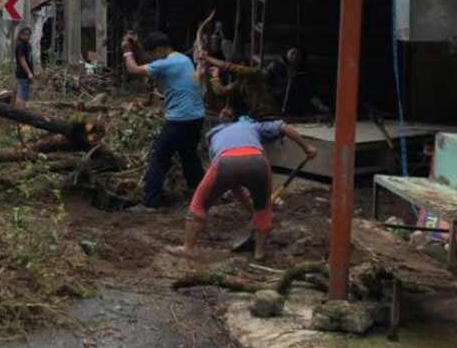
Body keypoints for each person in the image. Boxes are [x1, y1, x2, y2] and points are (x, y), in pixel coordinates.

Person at [175, 104, 318, 260]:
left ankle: (187, 248)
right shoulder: (250, 125)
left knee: (199, 204)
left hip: (225, 161)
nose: (224, 112)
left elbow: (234, 186)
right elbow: (283, 127)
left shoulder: (213, 134)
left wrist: (250, 210)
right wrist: (307, 148)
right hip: (258, 161)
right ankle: (259, 253)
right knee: (263, 208)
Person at [122, 31, 207, 211]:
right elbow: (149, 62)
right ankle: (203, 195)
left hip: (179, 119)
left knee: (159, 158)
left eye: (153, 53)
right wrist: (136, 46)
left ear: (160, 49)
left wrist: (127, 51)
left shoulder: (167, 63)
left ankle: (150, 202)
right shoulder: (183, 59)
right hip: (196, 117)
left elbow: (134, 69)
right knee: (189, 156)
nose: (152, 58)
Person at [201, 52, 280, 120]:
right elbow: (221, 91)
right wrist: (215, 77)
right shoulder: (241, 80)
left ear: (242, 64)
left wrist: (206, 58)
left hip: (269, 115)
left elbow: (229, 66)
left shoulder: (254, 73)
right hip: (255, 116)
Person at [14, 27, 34, 106]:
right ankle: (20, 111)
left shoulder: (27, 45)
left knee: (24, 95)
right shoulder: (21, 45)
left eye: (29, 35)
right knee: (22, 96)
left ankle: (21, 110)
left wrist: (31, 73)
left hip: (25, 75)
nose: (27, 36)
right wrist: (29, 73)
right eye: (25, 34)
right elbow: (22, 59)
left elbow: (29, 61)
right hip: (22, 74)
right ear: (20, 35)